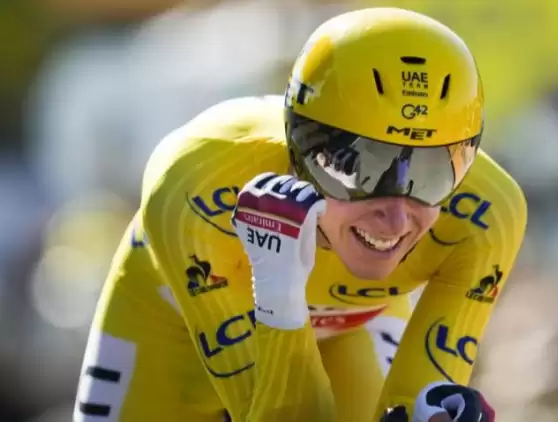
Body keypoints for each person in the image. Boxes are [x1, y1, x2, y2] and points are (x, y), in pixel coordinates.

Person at [73, 7, 527, 422]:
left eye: (432, 175)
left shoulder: (490, 214)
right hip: (168, 325)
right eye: (359, 169)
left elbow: (408, 405)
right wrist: (278, 296)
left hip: (353, 327)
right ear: (301, 151)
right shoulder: (197, 182)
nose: (395, 220)